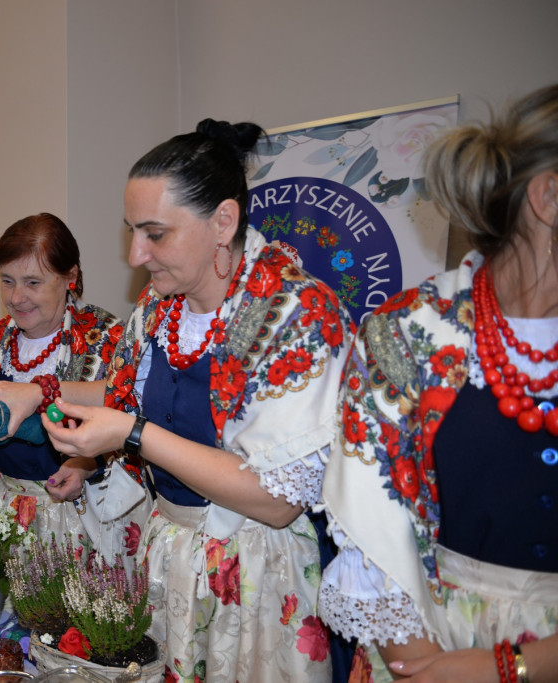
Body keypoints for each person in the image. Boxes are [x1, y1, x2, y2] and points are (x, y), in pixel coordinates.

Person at [33, 121, 353, 681]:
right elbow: (127, 394)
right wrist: (39, 394)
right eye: (132, 231)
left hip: (256, 575)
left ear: (223, 221)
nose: (135, 254)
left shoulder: (295, 315)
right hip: (172, 562)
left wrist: (131, 435)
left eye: (155, 233)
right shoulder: (158, 312)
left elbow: (277, 500)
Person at [319, 84, 558, 682]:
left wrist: (515, 667)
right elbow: (370, 520)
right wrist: (421, 665)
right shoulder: (406, 333)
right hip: (429, 637)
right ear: (549, 195)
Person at [0, 213, 127, 550]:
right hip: (3, 516)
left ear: (70, 277)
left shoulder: (108, 338)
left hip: (83, 523)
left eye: (32, 282)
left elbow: (137, 426)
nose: (16, 298)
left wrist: (86, 465)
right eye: (7, 281)